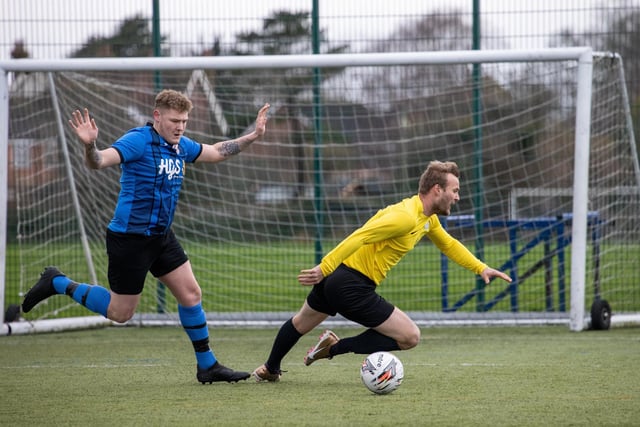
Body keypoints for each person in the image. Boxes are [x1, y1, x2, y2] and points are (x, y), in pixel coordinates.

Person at [22, 89, 270, 384]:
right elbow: (99, 161)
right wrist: (90, 146)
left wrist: (253, 135)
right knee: (120, 312)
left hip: (161, 237)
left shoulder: (180, 146)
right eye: (175, 120)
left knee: (191, 294)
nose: (180, 127)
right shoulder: (138, 140)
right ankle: (58, 282)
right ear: (157, 116)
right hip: (130, 240)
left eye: (185, 121)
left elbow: (216, 151)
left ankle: (208, 366)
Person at [251, 160, 512, 382]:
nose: (457, 196)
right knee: (410, 337)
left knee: (300, 323)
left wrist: (481, 267)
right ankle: (333, 348)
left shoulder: (425, 218)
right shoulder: (406, 217)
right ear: (437, 189)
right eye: (454, 190)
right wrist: (324, 267)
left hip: (339, 278)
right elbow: (360, 235)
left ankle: (270, 368)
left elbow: (449, 244)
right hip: (351, 283)